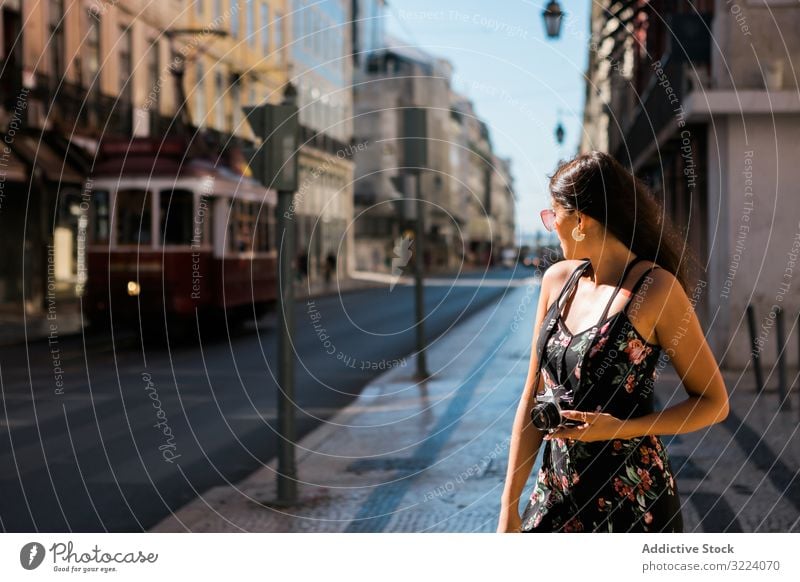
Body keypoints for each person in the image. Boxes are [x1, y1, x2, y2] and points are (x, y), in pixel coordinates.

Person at [497, 151, 730, 533]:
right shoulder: (557, 281)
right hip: (555, 494)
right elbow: (531, 395)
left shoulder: (655, 289)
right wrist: (509, 506)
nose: (550, 225)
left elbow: (714, 403)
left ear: (580, 221)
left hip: (633, 502)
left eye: (552, 215)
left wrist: (618, 427)